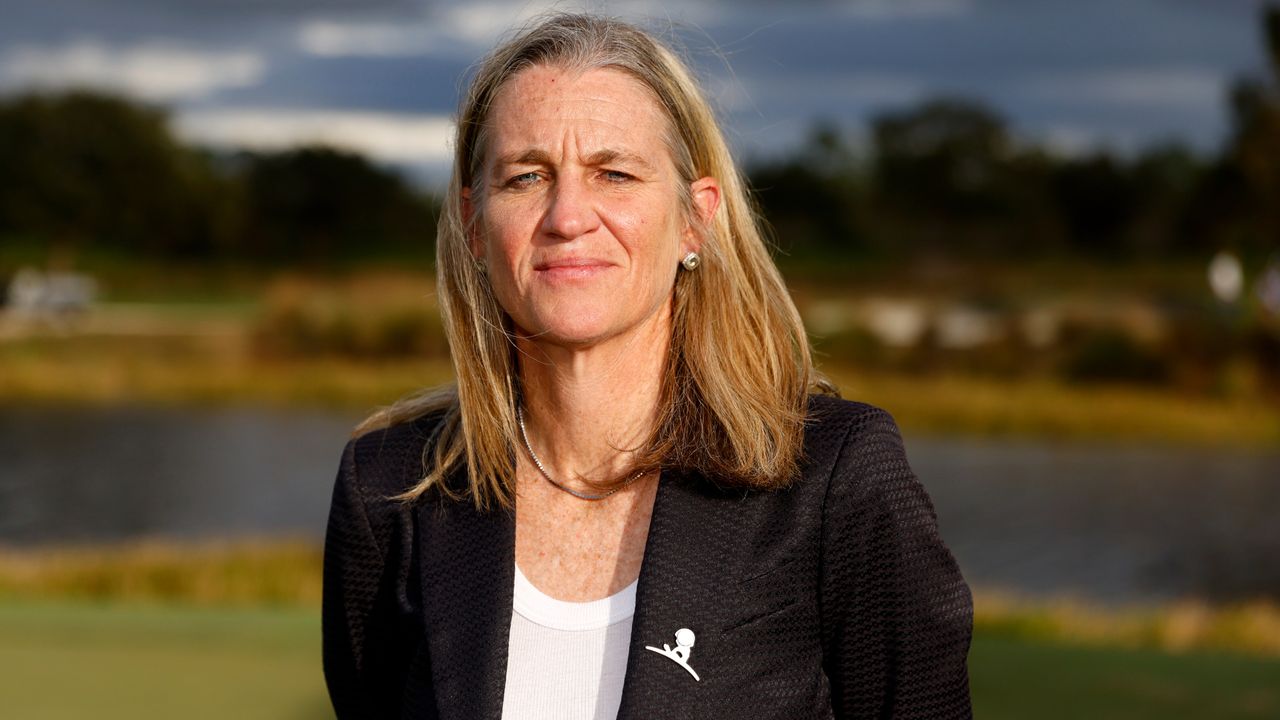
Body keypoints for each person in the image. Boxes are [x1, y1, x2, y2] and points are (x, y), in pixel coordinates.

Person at [322, 12, 972, 719]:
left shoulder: (837, 477)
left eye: (615, 173)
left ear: (696, 219)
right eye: (527, 177)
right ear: (475, 224)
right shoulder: (389, 489)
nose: (568, 216)